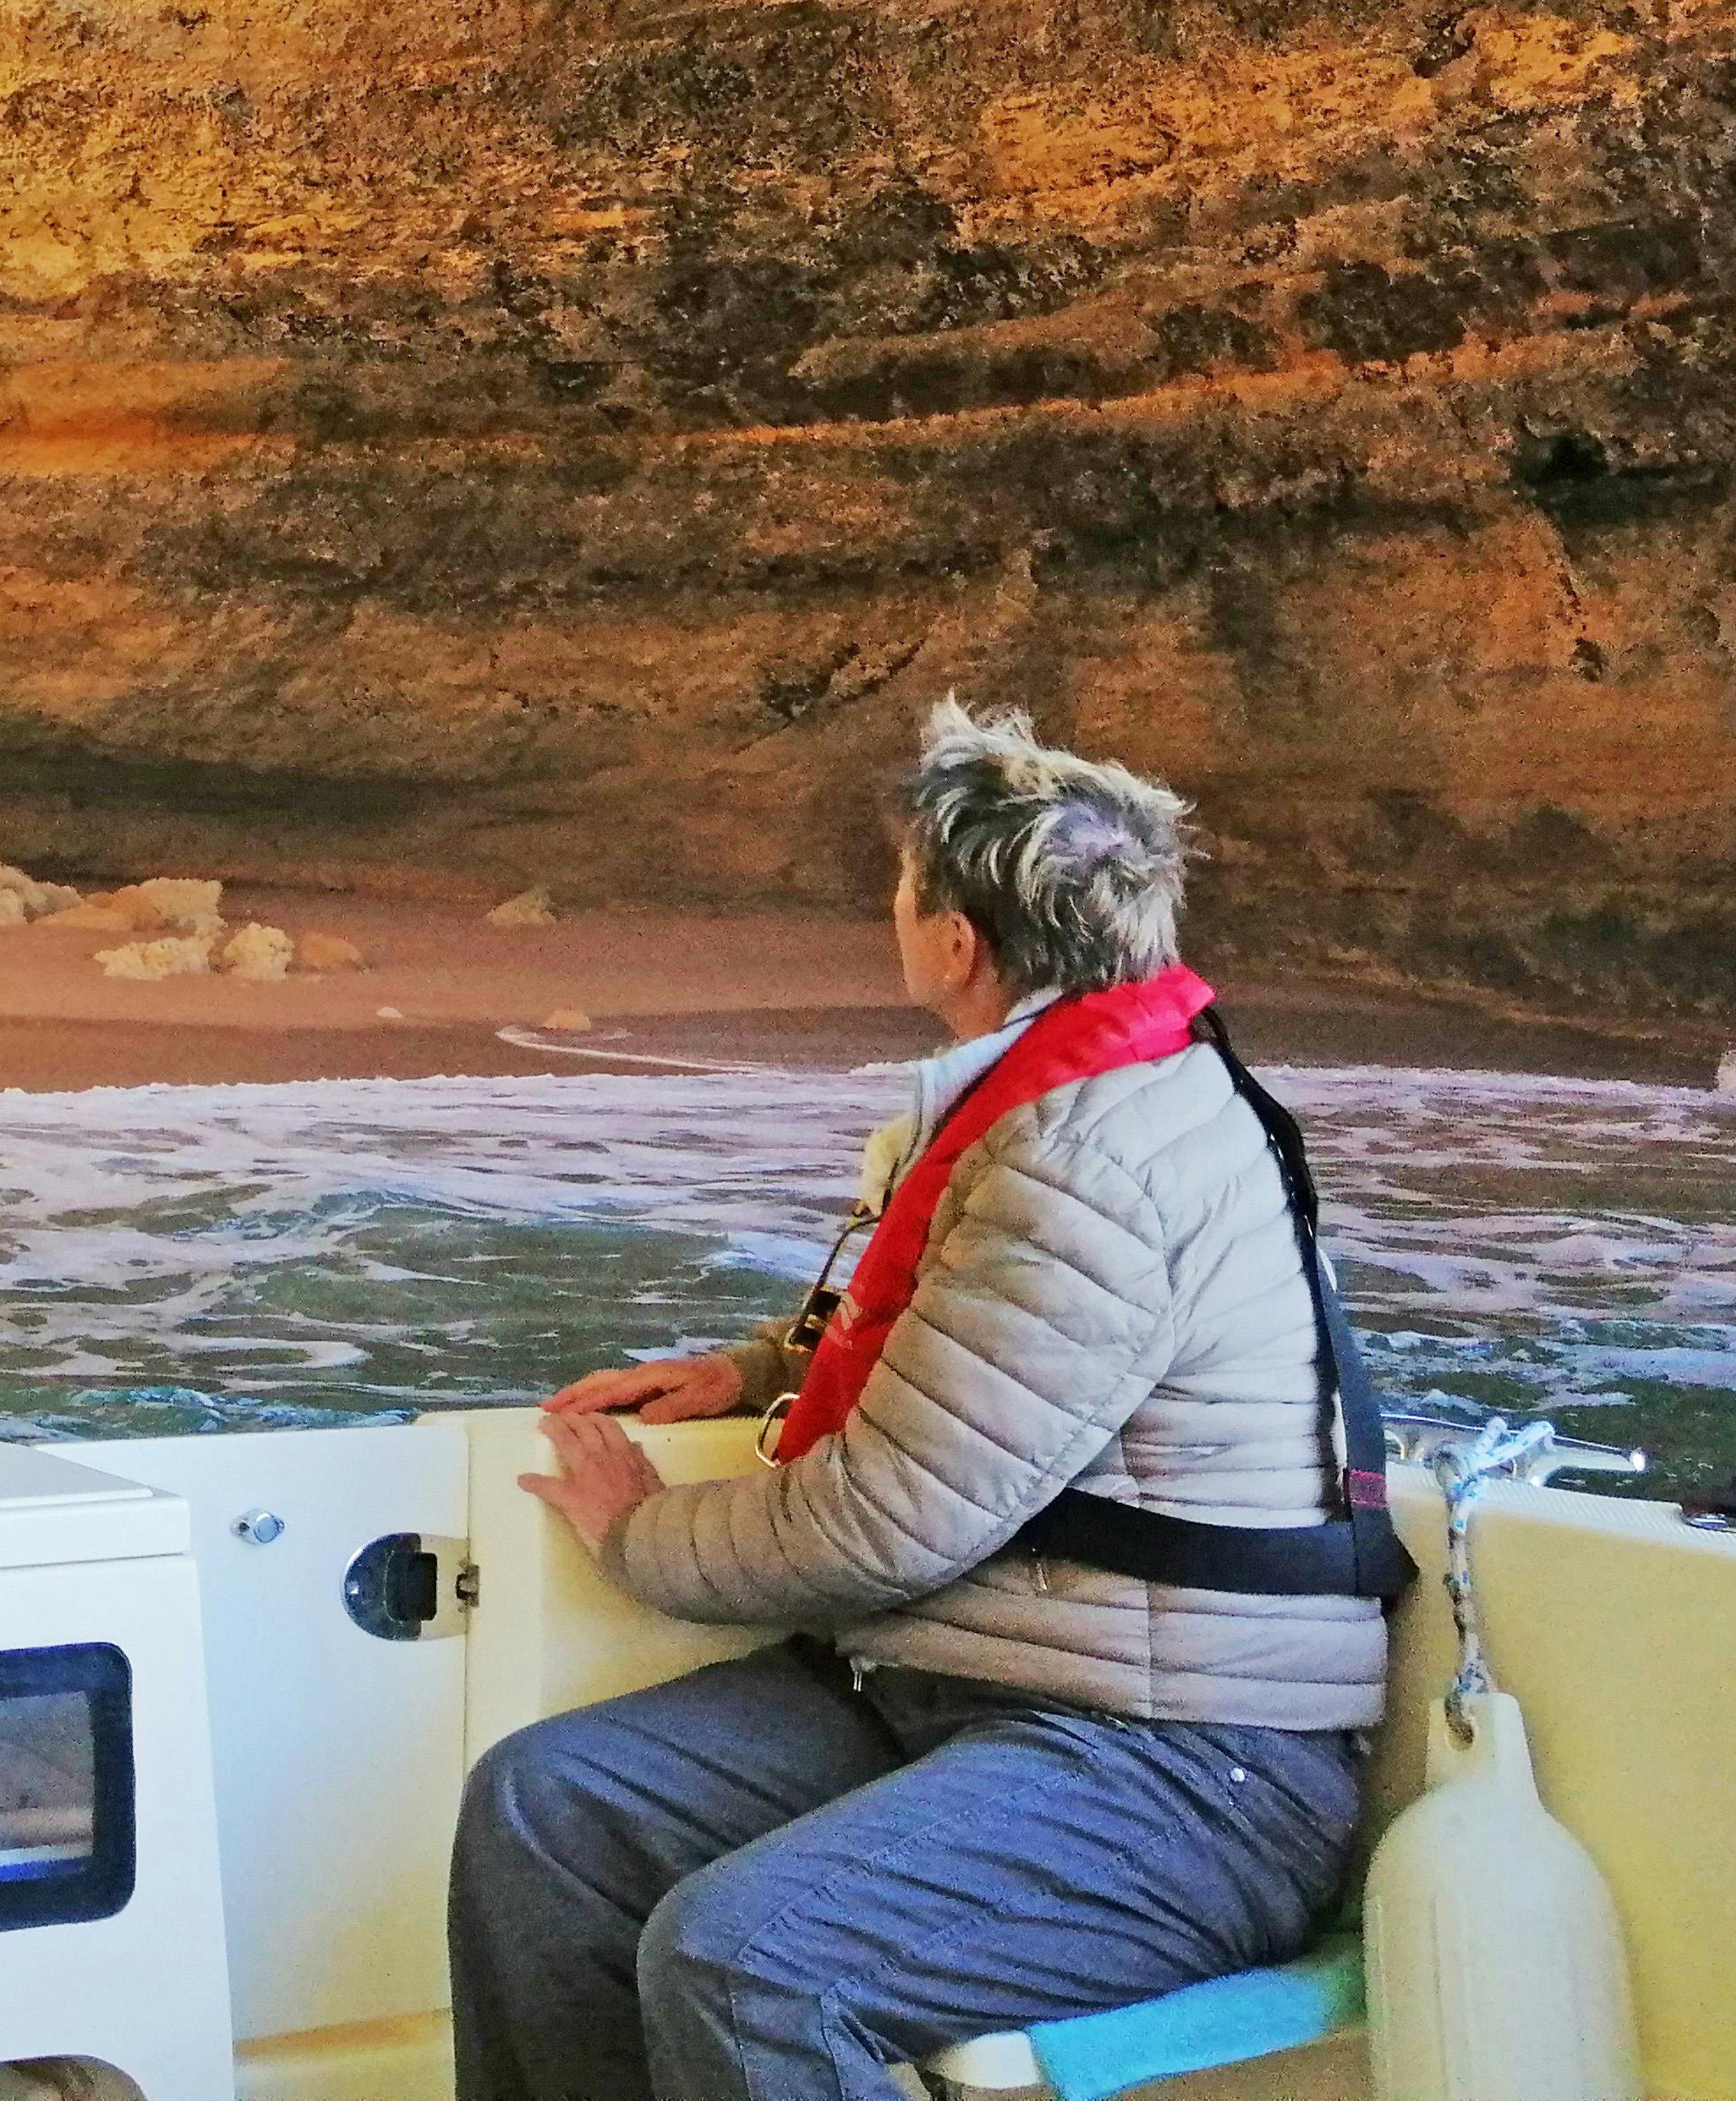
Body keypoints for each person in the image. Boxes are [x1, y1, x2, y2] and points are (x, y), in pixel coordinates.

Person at [452, 699, 1402, 2101]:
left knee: (746, 1963)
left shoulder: (1090, 1160)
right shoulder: (1063, 1102)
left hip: (1183, 1770)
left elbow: (888, 1521)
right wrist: (763, 1369)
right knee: (551, 1810)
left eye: (903, 888)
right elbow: (983, 1346)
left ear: (955, 938)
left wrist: (638, 1532)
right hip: (967, 1683)